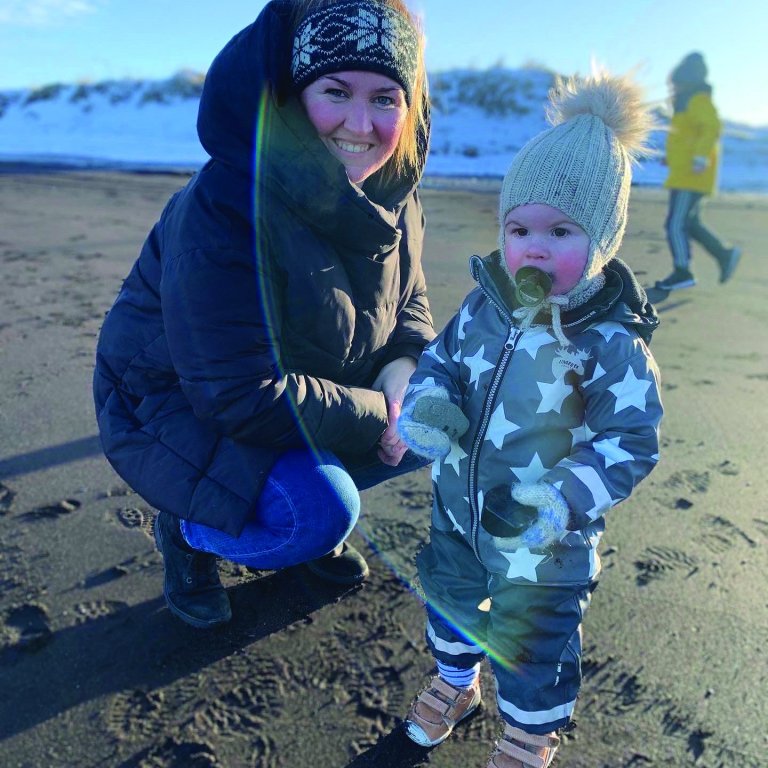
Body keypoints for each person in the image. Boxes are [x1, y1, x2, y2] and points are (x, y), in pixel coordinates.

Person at [93, 0, 434, 629]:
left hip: (301, 381)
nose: (361, 124)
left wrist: (406, 370)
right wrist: (379, 414)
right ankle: (188, 531)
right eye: (336, 92)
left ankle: (304, 488)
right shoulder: (224, 206)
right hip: (174, 399)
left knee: (439, 417)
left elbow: (408, 299)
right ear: (293, 93)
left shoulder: (395, 190)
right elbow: (237, 394)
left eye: (386, 99)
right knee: (318, 510)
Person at [396, 72, 664, 767]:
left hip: (544, 546)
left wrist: (561, 499)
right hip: (459, 515)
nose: (534, 248)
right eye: (519, 229)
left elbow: (631, 442)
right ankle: (455, 682)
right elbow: (440, 363)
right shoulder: (483, 307)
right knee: (450, 605)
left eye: (561, 231)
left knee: (535, 646)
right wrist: (429, 406)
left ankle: (528, 732)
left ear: (602, 240)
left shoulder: (611, 344)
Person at [655, 51, 740, 291]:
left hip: (691, 176)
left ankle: (682, 271)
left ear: (688, 81)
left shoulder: (698, 100)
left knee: (675, 224)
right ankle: (724, 254)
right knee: (690, 223)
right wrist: (671, 158)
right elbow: (684, 138)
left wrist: (700, 158)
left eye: (678, 83)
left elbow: (711, 128)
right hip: (685, 172)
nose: (674, 88)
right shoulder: (684, 104)